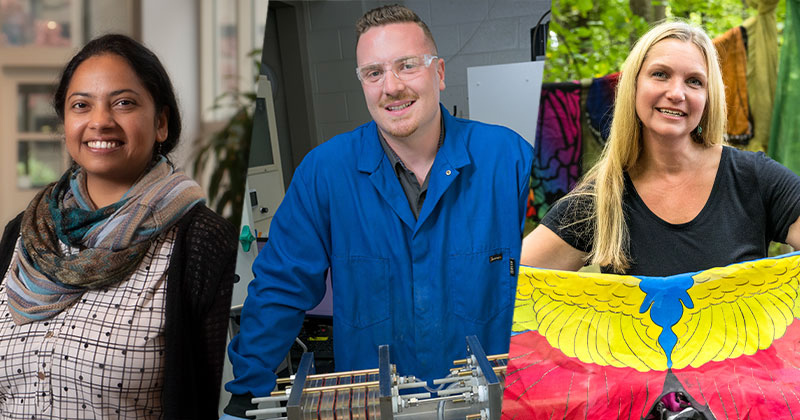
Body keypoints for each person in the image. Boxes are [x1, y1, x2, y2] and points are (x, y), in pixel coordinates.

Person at [222, 4, 534, 418]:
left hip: (489, 404)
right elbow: (280, 287)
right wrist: (245, 395)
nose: (391, 86)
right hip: (373, 406)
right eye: (373, 73)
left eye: (407, 65)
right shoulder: (325, 172)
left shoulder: (510, 160)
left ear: (438, 73)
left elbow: (556, 277)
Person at [0, 34, 237, 419]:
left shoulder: (202, 244)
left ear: (161, 123)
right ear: (65, 123)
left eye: (123, 103)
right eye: (81, 106)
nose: (100, 122)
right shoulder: (23, 235)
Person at [522, 21, 800, 275]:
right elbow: (503, 283)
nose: (677, 93)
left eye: (694, 81)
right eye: (660, 74)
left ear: (707, 98)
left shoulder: (754, 178)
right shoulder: (602, 198)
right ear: (633, 86)